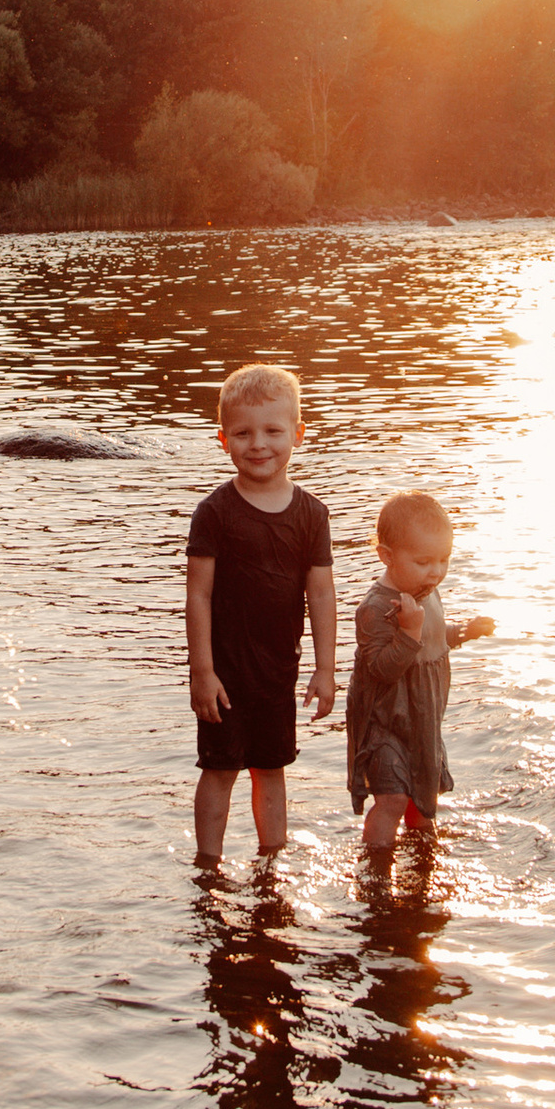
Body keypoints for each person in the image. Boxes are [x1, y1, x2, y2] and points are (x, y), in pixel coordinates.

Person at [185, 359, 336, 861]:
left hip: (278, 672)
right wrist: (201, 672)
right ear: (224, 439)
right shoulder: (214, 512)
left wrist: (326, 669)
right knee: (220, 768)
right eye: (244, 433)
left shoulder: (311, 514)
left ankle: (272, 861)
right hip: (225, 674)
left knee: (271, 769)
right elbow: (199, 595)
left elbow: (321, 594)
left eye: (273, 430)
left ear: (298, 433)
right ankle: (208, 866)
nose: (259, 444)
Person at [344, 490, 496, 857]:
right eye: (424, 561)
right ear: (387, 557)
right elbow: (381, 669)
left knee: (422, 796)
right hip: (385, 720)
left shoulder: (427, 593)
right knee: (393, 797)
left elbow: (433, 639)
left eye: (444, 559)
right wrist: (409, 630)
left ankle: (423, 864)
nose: (437, 571)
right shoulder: (375, 608)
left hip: (422, 717)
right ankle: (375, 870)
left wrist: (464, 632)